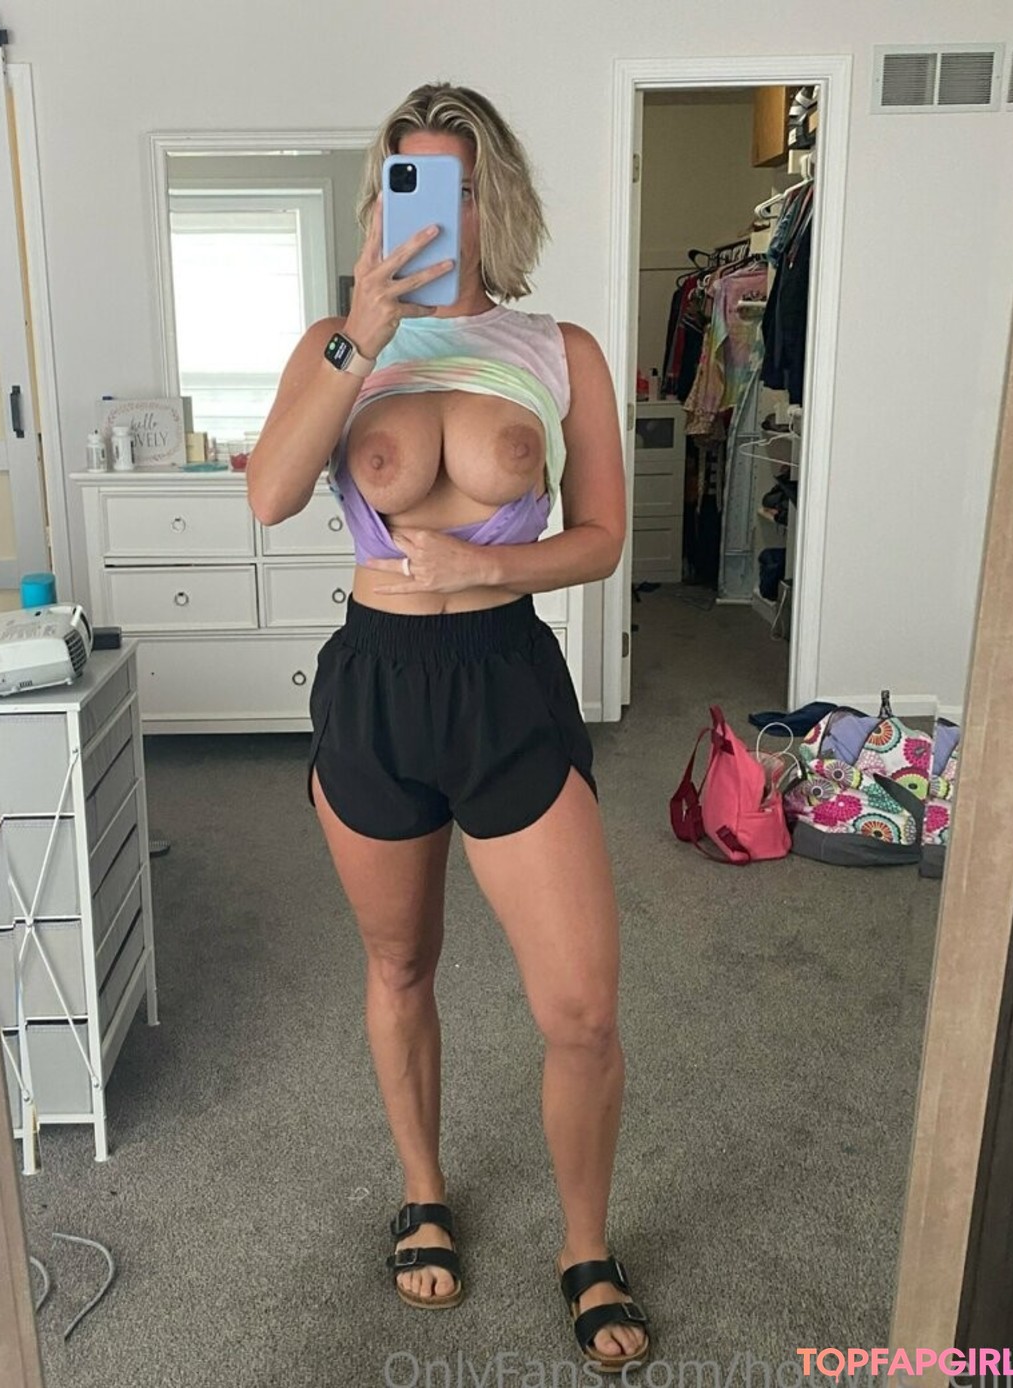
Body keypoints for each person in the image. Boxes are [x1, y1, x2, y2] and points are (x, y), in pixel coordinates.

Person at [247, 82, 650, 1373]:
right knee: (400, 966)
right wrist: (360, 336)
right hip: (375, 683)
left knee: (581, 1009)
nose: (435, 212)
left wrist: (491, 569)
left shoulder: (559, 348)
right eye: (409, 184)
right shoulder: (337, 341)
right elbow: (269, 495)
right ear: (380, 201)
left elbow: (603, 537)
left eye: (459, 187)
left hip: (505, 678)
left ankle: (584, 1247)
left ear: (496, 202)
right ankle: (424, 1192)